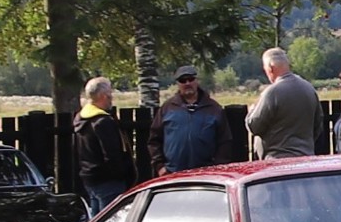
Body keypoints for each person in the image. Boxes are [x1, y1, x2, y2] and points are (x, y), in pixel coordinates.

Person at [73, 77, 139, 213]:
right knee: (111, 221)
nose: (111, 98)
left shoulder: (81, 118)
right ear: (103, 96)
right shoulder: (103, 122)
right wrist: (122, 175)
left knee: (96, 220)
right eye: (110, 94)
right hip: (108, 181)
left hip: (90, 179)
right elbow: (111, 154)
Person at [249, 46, 321, 161]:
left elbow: (255, 126)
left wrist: (252, 110)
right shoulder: (309, 88)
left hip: (278, 160)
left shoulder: (272, 92)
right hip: (306, 157)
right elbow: (318, 125)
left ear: (270, 68)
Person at [155, 68, 228, 172]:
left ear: (197, 81)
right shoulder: (167, 108)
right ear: (177, 84)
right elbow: (154, 139)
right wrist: (159, 166)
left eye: (191, 79)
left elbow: (224, 141)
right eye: (183, 80)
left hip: (206, 173)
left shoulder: (214, 108)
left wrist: (217, 168)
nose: (187, 83)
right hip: (173, 172)